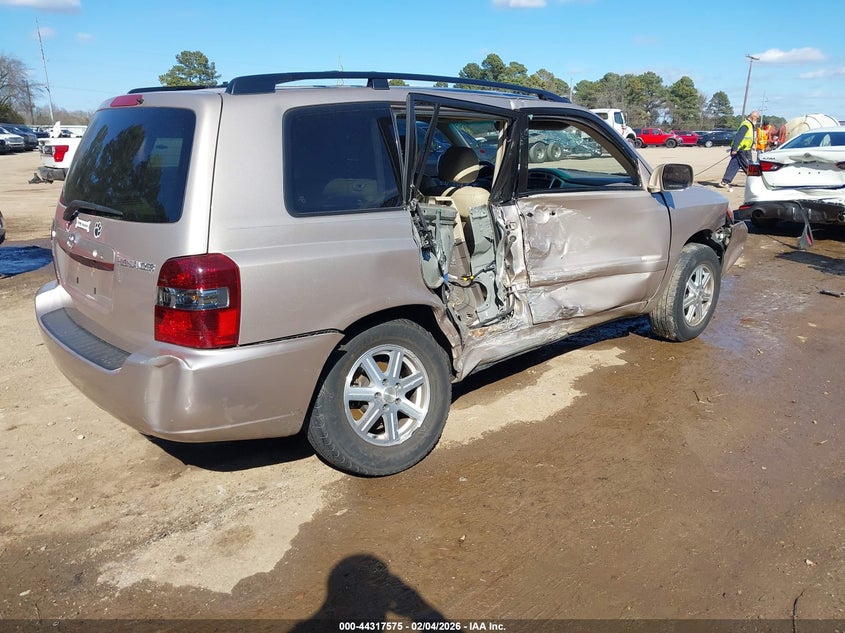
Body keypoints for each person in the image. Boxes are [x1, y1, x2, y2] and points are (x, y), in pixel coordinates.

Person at [718, 110, 760, 190]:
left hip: (744, 149)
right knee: (749, 166)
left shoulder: (750, 125)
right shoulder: (746, 124)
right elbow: (739, 137)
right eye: (757, 118)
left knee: (734, 165)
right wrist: (735, 148)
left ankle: (724, 182)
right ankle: (756, 181)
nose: (757, 120)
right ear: (753, 117)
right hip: (743, 150)